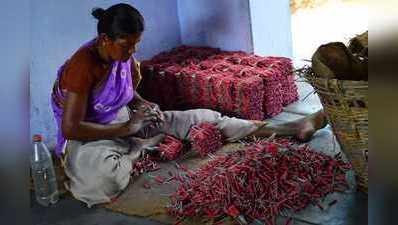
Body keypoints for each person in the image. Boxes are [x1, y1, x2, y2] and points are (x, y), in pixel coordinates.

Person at [51, 3, 327, 207]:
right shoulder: (83, 66)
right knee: (98, 180)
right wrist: (126, 128)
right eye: (127, 45)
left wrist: (146, 106)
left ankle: (293, 127)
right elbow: (72, 128)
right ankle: (149, 146)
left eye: (137, 44)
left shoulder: (122, 58)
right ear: (105, 40)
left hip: (127, 124)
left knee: (205, 118)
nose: (133, 52)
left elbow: (126, 94)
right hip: (93, 137)